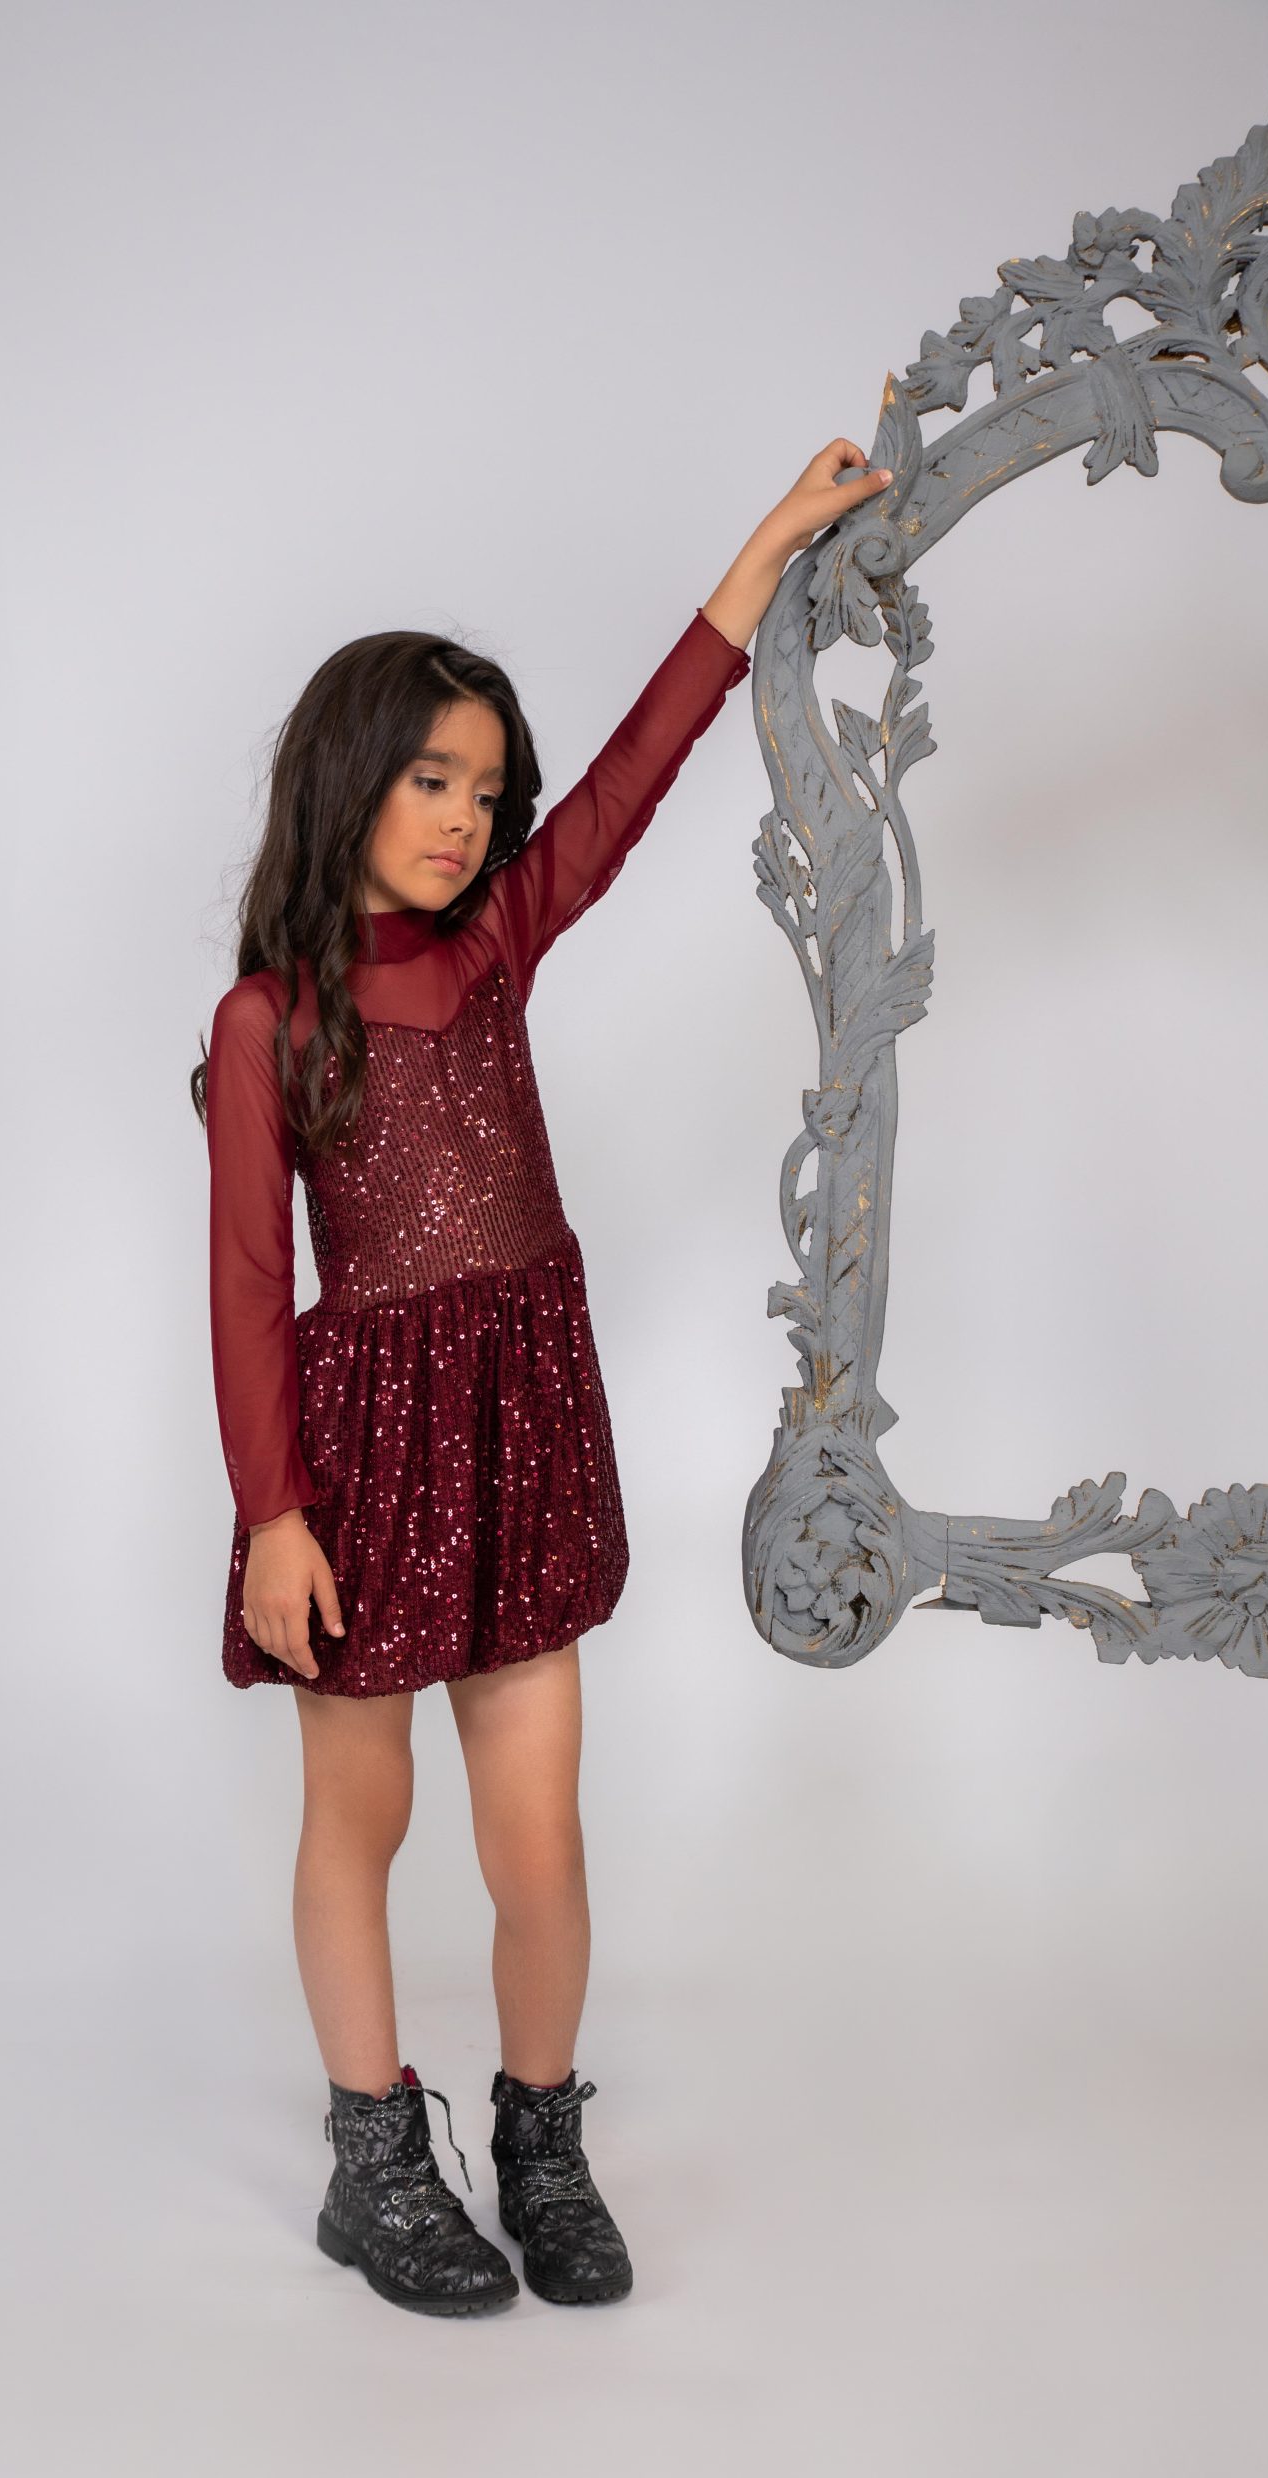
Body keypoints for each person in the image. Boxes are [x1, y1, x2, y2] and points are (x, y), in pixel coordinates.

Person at [192, 437, 892, 2317]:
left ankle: (541, 2139)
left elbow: (638, 772)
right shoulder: (269, 1021)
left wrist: (764, 551)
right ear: (347, 776)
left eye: (485, 789)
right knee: (361, 1816)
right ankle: (373, 2160)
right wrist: (274, 1515)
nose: (463, 817)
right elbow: (248, 1286)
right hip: (363, 1460)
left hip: (517, 1428)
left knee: (538, 1833)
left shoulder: (499, 942)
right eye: (430, 778)